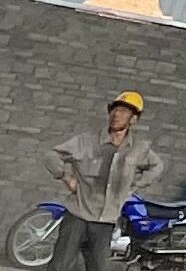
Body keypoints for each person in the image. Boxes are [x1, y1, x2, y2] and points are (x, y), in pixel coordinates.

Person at [50, 91, 160, 266]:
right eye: (114, 110)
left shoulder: (138, 149)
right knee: (59, 265)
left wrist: (133, 186)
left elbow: (156, 167)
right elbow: (52, 155)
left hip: (105, 222)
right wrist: (66, 177)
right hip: (77, 215)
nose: (116, 115)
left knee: (99, 266)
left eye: (123, 111)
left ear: (133, 119)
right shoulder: (87, 141)